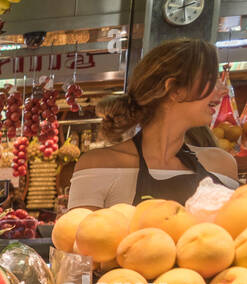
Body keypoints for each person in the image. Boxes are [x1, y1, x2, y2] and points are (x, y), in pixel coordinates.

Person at [69, 38, 237, 210]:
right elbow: (77, 235)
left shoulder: (222, 165)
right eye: (212, 79)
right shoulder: (99, 165)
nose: (224, 90)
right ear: (174, 89)